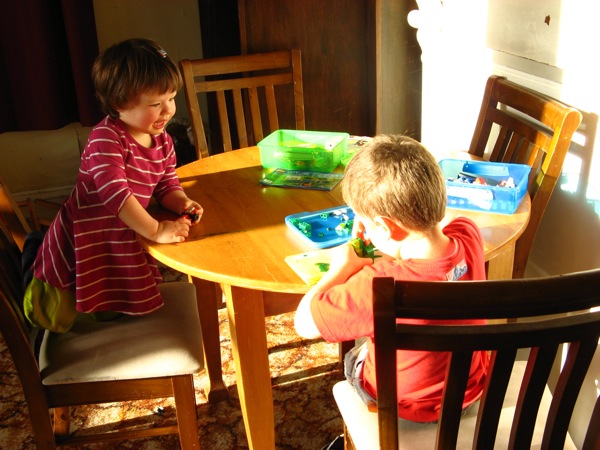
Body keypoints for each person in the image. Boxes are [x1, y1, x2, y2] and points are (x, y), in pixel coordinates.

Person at [294, 134, 489, 424]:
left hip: (404, 407)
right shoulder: (469, 236)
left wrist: (340, 268)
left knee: (353, 357)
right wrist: (388, 231)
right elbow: (451, 222)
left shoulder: (378, 285)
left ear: (385, 228)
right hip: (469, 391)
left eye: (365, 223)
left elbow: (303, 324)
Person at [23, 38, 203, 332]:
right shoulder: (106, 139)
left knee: (113, 306)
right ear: (119, 104)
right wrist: (156, 230)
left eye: (171, 98)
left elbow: (165, 182)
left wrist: (181, 201)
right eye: (155, 104)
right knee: (54, 312)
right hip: (87, 237)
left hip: (122, 234)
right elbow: (115, 195)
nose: (168, 110)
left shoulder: (163, 140)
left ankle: (107, 324)